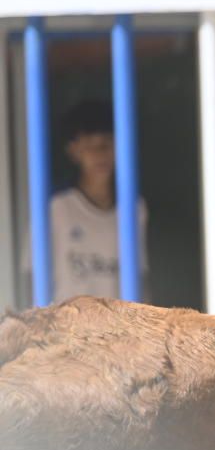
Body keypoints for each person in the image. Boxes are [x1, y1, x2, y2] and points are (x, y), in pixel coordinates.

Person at [41, 99, 148, 304]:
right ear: (73, 150)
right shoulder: (56, 208)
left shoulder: (134, 209)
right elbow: (32, 277)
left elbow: (141, 278)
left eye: (108, 142)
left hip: (120, 331)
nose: (100, 153)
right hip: (67, 330)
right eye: (90, 145)